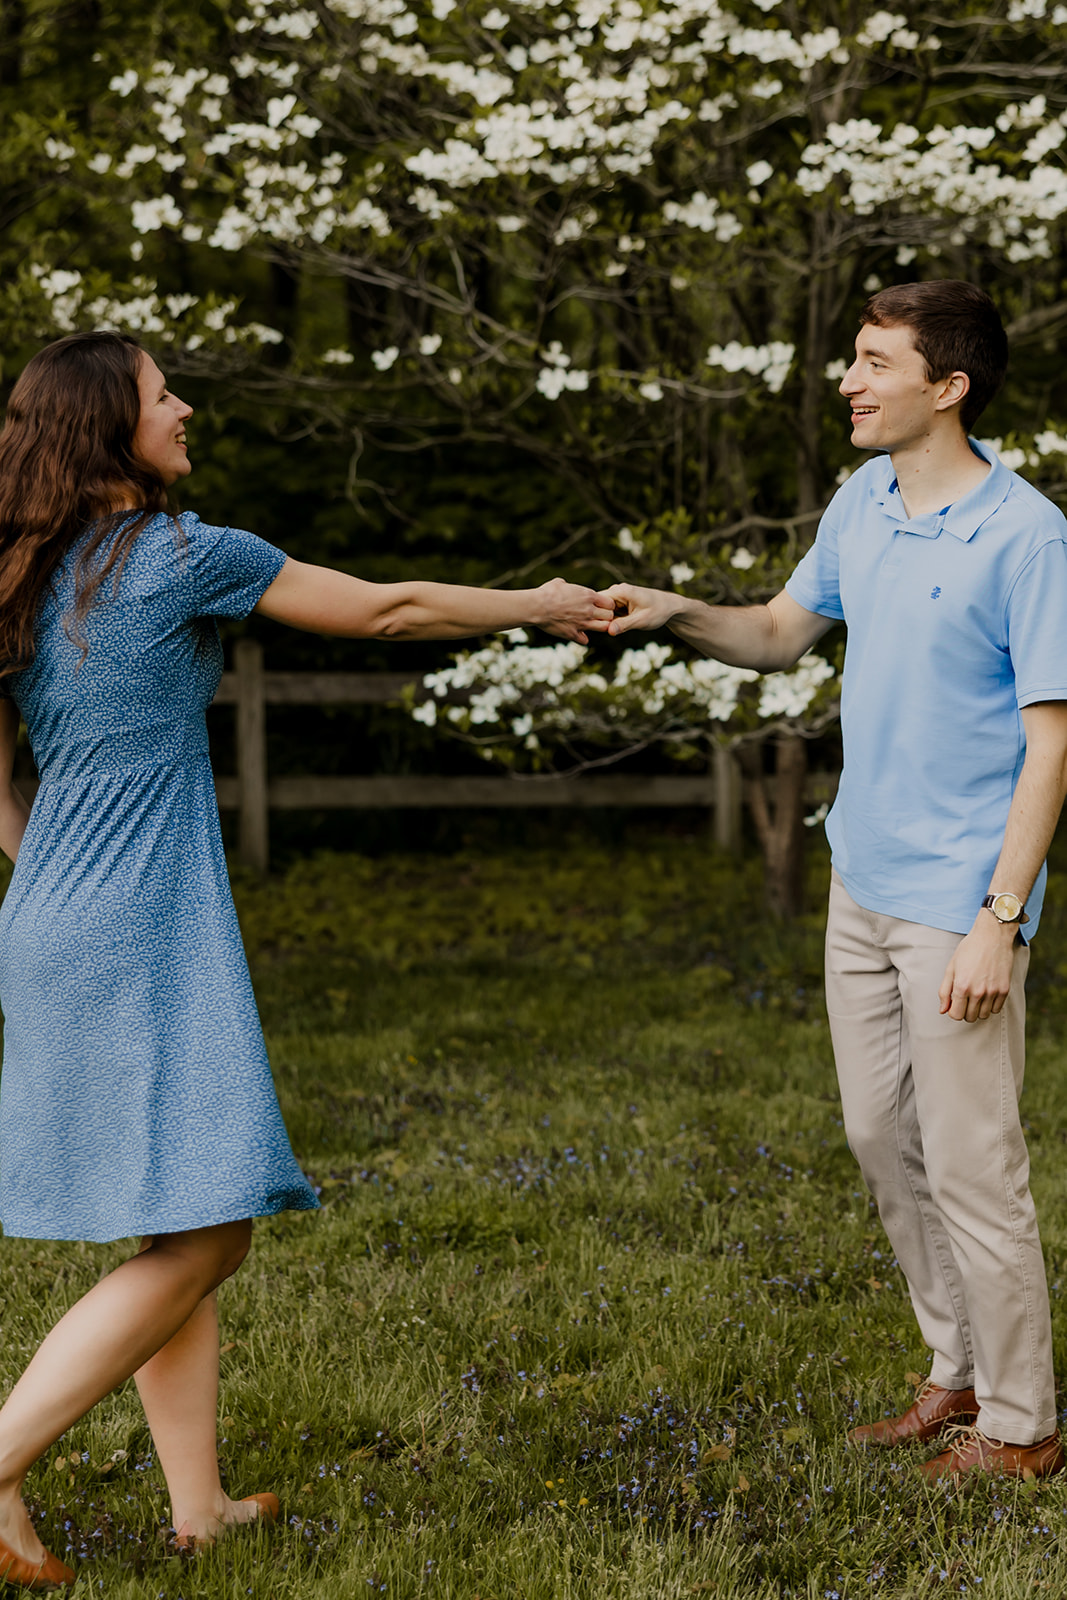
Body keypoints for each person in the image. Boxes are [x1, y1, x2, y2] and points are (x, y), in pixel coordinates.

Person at [0, 330, 613, 1590]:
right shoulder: (179, 555)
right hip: (138, 917)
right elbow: (386, 608)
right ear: (110, 426)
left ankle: (201, 1503)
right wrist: (539, 603)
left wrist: (42, 869)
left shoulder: (23, 571)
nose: (187, 410)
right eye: (165, 396)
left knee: (179, 1207)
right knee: (209, 1228)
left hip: (53, 913)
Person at [606, 280, 1067, 1482]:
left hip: (960, 904)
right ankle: (951, 1370)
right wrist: (673, 613)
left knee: (974, 1162)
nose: (847, 381)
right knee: (878, 1136)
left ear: (946, 386)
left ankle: (1020, 1425)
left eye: (872, 362)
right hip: (857, 879)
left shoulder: (1025, 536)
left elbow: (1053, 744)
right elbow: (773, 632)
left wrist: (997, 922)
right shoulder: (863, 498)